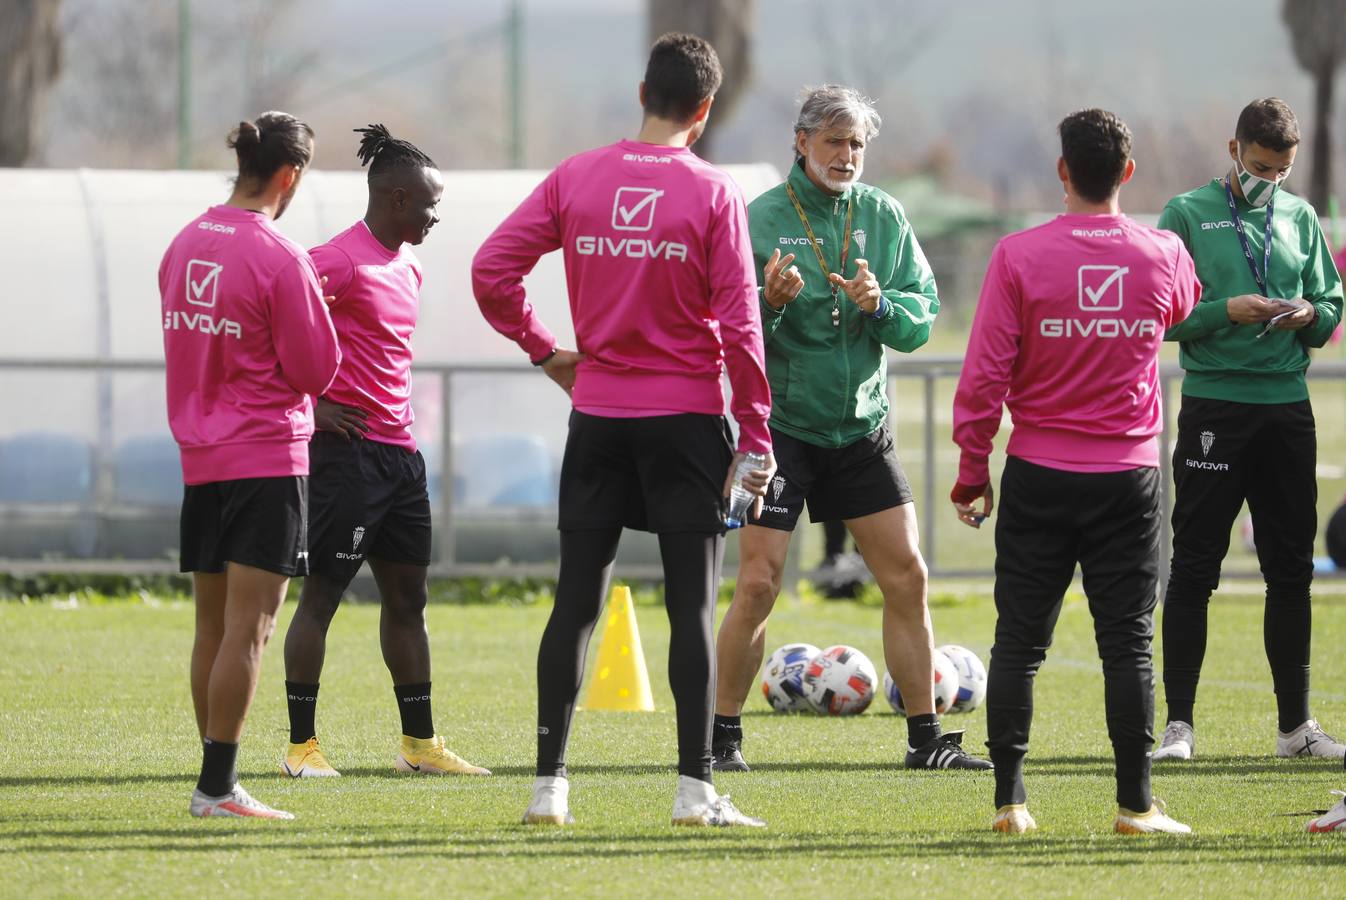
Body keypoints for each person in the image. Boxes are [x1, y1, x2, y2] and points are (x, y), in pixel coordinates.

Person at [472, 32, 775, 828]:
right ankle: (694, 792)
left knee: (575, 603)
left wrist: (546, 350)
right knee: (691, 610)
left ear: (643, 89)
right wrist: (757, 435)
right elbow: (743, 328)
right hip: (685, 423)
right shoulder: (712, 194)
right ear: (704, 111)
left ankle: (548, 790)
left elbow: (489, 271)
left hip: (598, 419)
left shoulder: (578, 175)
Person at [710, 85, 990, 773]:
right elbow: (723, 327)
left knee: (908, 576)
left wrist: (882, 305)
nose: (847, 155)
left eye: (857, 144)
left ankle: (926, 743)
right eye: (834, 142)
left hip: (862, 429)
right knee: (757, 585)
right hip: (782, 433)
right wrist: (767, 305)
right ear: (801, 143)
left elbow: (921, 318)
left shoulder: (886, 215)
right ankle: (719, 742)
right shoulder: (760, 218)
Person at [951, 109, 1201, 835]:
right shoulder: (1162, 253)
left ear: (1062, 170)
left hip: (1036, 469)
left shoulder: (1017, 255)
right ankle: (1134, 804)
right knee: (1126, 641)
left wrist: (973, 471)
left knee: (1019, 642)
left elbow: (984, 376)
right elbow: (1182, 309)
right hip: (1128, 477)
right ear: (1127, 172)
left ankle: (1010, 802)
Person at [278, 125, 489, 780]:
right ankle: (301, 749)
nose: (435, 217)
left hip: (401, 460)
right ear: (397, 199)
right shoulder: (336, 260)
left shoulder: (411, 263)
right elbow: (265, 317)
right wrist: (312, 406)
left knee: (409, 602)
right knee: (322, 599)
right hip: (349, 457)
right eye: (429, 205)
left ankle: (420, 746)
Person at [160, 111, 340, 818]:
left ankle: (213, 778)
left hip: (200, 458)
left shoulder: (184, 243)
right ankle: (216, 788)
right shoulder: (278, 256)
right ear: (289, 175)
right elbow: (316, 369)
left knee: (211, 627)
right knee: (251, 629)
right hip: (265, 456)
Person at [1154, 98, 1345, 762]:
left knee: (1290, 570)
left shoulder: (1299, 217)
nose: (1273, 180)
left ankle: (1296, 729)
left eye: (1284, 170)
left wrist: (1307, 316)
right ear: (1234, 149)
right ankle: (1178, 726)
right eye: (1262, 166)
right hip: (1215, 406)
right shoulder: (1185, 213)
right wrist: (1223, 312)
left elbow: (1331, 305)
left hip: (1287, 407)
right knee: (1196, 566)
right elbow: (1162, 318)